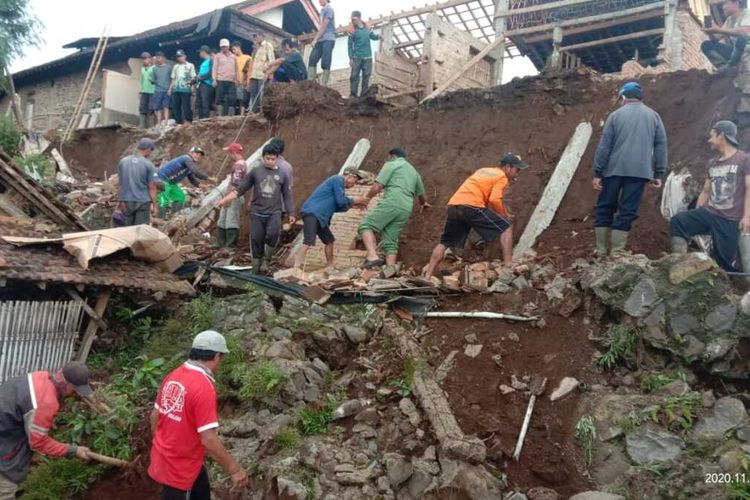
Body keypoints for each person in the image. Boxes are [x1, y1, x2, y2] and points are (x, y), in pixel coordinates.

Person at [149, 331, 249, 499]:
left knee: (201, 488)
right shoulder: (203, 387)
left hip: (170, 458)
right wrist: (235, 469)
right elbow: (208, 439)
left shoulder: (174, 375)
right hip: (180, 470)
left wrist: (163, 445)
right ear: (217, 356)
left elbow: (155, 416)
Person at [423, 154, 528, 279]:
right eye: (517, 170)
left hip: (454, 206)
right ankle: (508, 264)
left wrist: (500, 212)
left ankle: (428, 275)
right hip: (471, 207)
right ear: (508, 167)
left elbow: (485, 198)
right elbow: (494, 200)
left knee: (445, 242)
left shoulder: (483, 171)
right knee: (506, 227)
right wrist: (504, 216)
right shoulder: (502, 177)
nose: (517, 174)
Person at [593, 82, 667, 256]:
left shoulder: (615, 116)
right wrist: (659, 172)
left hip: (613, 169)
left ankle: (601, 249)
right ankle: (618, 251)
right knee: (628, 210)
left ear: (624, 97)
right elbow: (661, 145)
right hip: (640, 172)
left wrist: (597, 172)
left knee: (605, 206)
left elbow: (604, 146)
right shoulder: (654, 116)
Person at [0, 361, 94, 498]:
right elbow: (38, 442)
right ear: (67, 384)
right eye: (75, 390)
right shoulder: (45, 403)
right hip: (4, 445)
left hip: (6, 427)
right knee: (5, 489)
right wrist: (74, 450)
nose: (76, 394)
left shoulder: (41, 376)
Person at [670, 121, 750, 271]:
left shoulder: (744, 159)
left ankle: (732, 289)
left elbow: (749, 187)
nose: (709, 140)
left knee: (724, 265)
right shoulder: (713, 163)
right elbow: (706, 191)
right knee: (679, 222)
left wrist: (747, 216)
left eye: (712, 136)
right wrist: (697, 211)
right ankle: (678, 265)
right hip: (710, 213)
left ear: (721, 136)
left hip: (730, 220)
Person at [214, 144, 295, 274]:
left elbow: (287, 195)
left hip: (274, 211)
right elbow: (240, 189)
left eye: (272, 159)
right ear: (263, 158)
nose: (270, 161)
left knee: (273, 234)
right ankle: (256, 269)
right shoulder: (256, 172)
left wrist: (291, 212)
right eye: (267, 158)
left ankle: (266, 259)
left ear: (277, 158)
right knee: (257, 239)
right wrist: (224, 200)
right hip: (257, 211)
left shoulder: (282, 174)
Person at [358, 147, 428, 268]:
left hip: (393, 201)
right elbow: (422, 196)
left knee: (366, 226)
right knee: (390, 240)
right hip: (406, 208)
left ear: (392, 156)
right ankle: (391, 270)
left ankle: (372, 257)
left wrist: (367, 199)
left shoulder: (392, 164)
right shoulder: (414, 172)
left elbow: (378, 186)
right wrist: (423, 204)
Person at [294, 167, 369, 271]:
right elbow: (341, 201)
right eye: (354, 182)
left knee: (329, 241)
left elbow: (339, 206)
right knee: (308, 240)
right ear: (350, 176)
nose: (353, 185)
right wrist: (355, 200)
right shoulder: (337, 179)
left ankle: (330, 265)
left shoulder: (338, 185)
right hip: (313, 213)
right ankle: (296, 267)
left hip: (321, 217)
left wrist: (352, 205)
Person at [156, 147, 211, 218]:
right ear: (191, 153)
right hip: (162, 179)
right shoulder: (186, 158)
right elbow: (196, 172)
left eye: (200, 155)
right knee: (164, 199)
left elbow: (192, 180)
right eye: (196, 153)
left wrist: (201, 186)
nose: (198, 156)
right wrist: (209, 178)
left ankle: (174, 217)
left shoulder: (189, 166)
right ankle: (160, 218)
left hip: (171, 183)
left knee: (180, 196)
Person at [116, 138, 158, 225]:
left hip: (127, 201)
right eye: (151, 150)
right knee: (140, 230)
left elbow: (120, 184)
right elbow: (152, 187)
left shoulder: (123, 162)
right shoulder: (149, 165)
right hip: (142, 202)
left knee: (127, 230)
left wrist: (120, 201)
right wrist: (155, 206)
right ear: (148, 149)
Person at [701, 0, 750, 69]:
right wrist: (710, 32)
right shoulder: (729, 20)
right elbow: (716, 38)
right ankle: (723, 67)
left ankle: (730, 65)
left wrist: (719, 30)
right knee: (706, 45)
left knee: (742, 39)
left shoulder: (747, 13)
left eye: (726, 4)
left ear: (736, 2)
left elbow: (745, 32)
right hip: (736, 52)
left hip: (747, 50)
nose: (723, 7)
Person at [215, 142, 247, 248]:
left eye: (229, 153)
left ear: (233, 152)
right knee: (223, 219)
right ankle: (221, 242)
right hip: (230, 195)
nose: (229, 155)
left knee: (231, 220)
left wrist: (227, 199)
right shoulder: (239, 164)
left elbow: (235, 184)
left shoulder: (239, 165)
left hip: (234, 196)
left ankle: (230, 245)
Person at [347, 11, 380, 98]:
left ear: (359, 18)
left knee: (366, 76)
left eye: (354, 19)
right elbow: (349, 45)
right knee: (354, 76)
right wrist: (350, 58)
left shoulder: (368, 27)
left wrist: (378, 37)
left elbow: (372, 36)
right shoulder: (352, 30)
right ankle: (353, 94)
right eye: (351, 19)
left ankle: (363, 95)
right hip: (356, 57)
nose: (352, 21)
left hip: (367, 57)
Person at [308, 0, 336, 86]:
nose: (319, 1)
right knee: (312, 58)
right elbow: (320, 27)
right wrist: (317, 38)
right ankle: (310, 82)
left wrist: (315, 39)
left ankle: (324, 84)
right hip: (321, 39)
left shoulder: (329, 10)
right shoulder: (322, 11)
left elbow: (324, 27)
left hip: (328, 38)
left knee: (325, 61)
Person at [247, 32, 275, 114]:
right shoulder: (255, 48)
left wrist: (269, 75)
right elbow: (252, 63)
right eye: (254, 37)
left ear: (262, 36)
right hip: (254, 75)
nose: (256, 38)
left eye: (257, 36)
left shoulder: (268, 46)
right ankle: (254, 112)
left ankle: (263, 113)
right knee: (253, 94)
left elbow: (272, 61)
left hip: (263, 75)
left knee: (263, 95)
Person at [212, 39, 239, 116]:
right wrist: (214, 79)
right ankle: (220, 116)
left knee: (232, 98)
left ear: (228, 46)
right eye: (222, 47)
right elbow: (214, 68)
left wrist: (237, 79)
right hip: (221, 79)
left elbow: (236, 69)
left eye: (225, 46)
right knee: (219, 98)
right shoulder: (217, 56)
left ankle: (231, 117)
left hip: (231, 80)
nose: (224, 48)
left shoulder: (233, 57)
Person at [169, 49, 196, 125]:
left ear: (184, 56)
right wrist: (170, 88)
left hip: (186, 89)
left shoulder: (190, 65)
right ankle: (179, 122)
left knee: (186, 106)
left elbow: (193, 77)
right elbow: (173, 78)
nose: (179, 58)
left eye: (181, 56)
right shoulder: (175, 67)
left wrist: (193, 87)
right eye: (178, 57)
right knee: (176, 107)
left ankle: (189, 120)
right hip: (176, 89)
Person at [151, 51, 172, 127]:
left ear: (163, 58)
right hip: (157, 90)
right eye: (157, 58)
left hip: (166, 90)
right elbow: (153, 80)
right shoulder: (154, 69)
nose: (158, 60)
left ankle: (166, 123)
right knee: (158, 108)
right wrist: (152, 81)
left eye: (159, 58)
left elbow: (172, 79)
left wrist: (170, 89)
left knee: (166, 107)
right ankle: (159, 123)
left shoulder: (169, 68)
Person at [231, 41, 252, 115]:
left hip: (244, 82)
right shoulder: (232, 58)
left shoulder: (248, 57)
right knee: (233, 100)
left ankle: (241, 114)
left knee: (242, 99)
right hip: (234, 82)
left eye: (234, 49)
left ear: (238, 48)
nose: (233, 51)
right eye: (232, 50)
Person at [194, 46, 214, 120]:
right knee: (199, 103)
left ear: (203, 52)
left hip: (207, 84)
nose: (199, 54)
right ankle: (200, 119)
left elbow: (210, 73)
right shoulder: (204, 62)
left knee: (205, 102)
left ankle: (205, 119)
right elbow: (200, 74)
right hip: (201, 84)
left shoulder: (211, 61)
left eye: (200, 52)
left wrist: (200, 78)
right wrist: (193, 81)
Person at [139, 52, 155, 128]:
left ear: (150, 59)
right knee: (142, 107)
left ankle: (151, 125)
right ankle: (142, 125)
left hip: (152, 91)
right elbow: (141, 80)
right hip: (144, 91)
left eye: (146, 58)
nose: (144, 60)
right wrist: (140, 91)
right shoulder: (142, 69)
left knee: (151, 108)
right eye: (143, 59)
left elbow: (156, 79)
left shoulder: (154, 68)